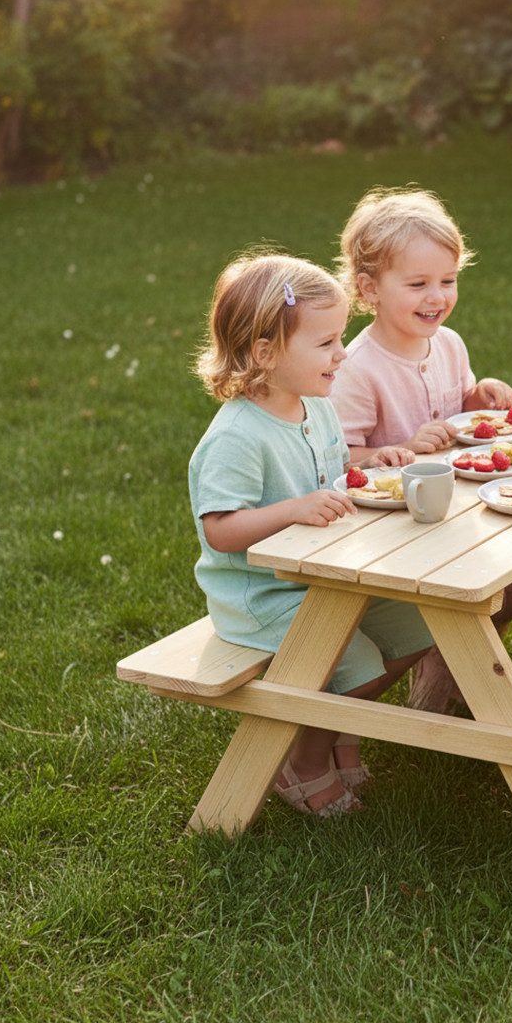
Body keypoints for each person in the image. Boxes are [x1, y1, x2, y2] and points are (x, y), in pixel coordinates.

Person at [189, 252, 432, 818]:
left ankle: (339, 731)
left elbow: (336, 468)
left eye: (339, 338)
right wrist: (292, 510)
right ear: (265, 353)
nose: (342, 353)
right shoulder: (237, 437)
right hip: (263, 596)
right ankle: (303, 761)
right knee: (356, 662)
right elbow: (220, 530)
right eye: (326, 343)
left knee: (420, 627)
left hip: (324, 578)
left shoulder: (315, 408)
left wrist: (372, 466)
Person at [330, 186, 512, 712]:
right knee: (493, 584)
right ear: (369, 289)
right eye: (418, 284)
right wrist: (401, 447)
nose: (437, 297)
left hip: (456, 509)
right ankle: (442, 669)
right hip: (393, 529)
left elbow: (461, 411)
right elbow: (340, 457)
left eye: (447, 281)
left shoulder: (448, 344)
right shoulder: (359, 368)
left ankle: (448, 662)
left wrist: (481, 398)